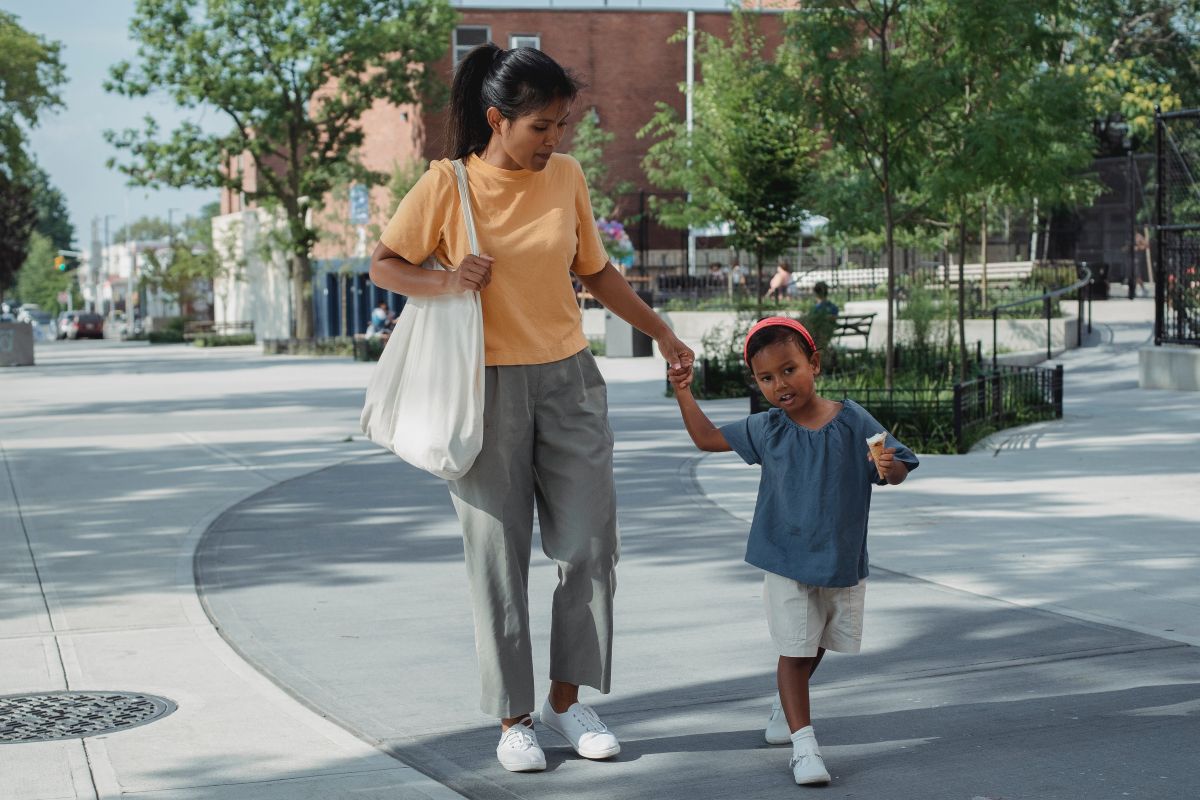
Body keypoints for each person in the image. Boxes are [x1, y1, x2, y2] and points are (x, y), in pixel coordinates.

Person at [367, 44, 694, 773]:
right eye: (541, 127)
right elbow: (384, 264)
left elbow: (597, 271)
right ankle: (514, 718)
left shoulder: (568, 178)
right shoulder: (447, 186)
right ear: (497, 119)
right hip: (482, 389)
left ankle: (565, 700)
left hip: (569, 380)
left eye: (561, 125)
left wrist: (662, 331)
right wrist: (450, 280)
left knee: (588, 548)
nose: (555, 141)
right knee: (498, 555)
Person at [666, 317, 917, 786]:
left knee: (816, 644)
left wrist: (887, 466)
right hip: (784, 558)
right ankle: (805, 747)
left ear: (813, 364)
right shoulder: (768, 429)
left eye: (789, 370)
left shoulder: (854, 420)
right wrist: (683, 391)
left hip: (839, 559)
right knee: (794, 651)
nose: (779, 384)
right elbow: (705, 438)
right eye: (766, 377)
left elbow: (896, 466)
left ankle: (787, 706)